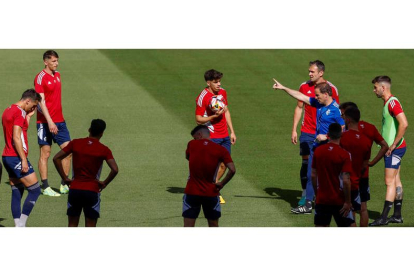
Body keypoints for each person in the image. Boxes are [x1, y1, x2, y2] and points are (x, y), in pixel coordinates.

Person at [272, 79, 344, 214]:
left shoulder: (335, 110)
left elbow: (343, 128)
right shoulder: (319, 103)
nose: (315, 98)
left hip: (329, 148)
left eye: (317, 95)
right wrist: (283, 88)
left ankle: (338, 202)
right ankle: (308, 204)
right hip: (317, 146)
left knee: (332, 176)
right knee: (312, 174)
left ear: (326, 94)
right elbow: (301, 96)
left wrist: (327, 137)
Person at [53, 119, 118, 227]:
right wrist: (104, 183)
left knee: (72, 225)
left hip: (75, 190)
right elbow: (115, 169)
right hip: (92, 191)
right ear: (102, 133)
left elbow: (56, 158)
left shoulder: (75, 143)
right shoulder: (104, 150)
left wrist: (65, 178)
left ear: (89, 130)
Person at [291, 60, 339, 206]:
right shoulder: (304, 86)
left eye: (312, 71)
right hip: (307, 131)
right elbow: (299, 107)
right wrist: (294, 128)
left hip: (323, 133)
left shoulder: (331, 89)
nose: (309, 74)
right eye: (309, 71)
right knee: (306, 163)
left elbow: (335, 111)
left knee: (323, 165)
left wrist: (331, 135)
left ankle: (323, 194)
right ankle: (306, 194)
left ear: (321, 73)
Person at [339, 102, 389, 227]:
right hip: (364, 174)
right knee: (363, 208)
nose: (342, 117)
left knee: (350, 208)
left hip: (349, 176)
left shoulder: (345, 133)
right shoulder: (370, 127)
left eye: (343, 115)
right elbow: (384, 146)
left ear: (348, 116)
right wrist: (372, 162)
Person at [369, 76, 408, 226]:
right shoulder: (388, 103)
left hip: (394, 150)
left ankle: (383, 218)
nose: (374, 91)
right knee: (396, 180)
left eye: (375, 87)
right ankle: (397, 215)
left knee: (389, 181)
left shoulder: (392, 103)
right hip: (396, 148)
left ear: (383, 88)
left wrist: (392, 146)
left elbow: (404, 124)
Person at [195, 69, 236, 204]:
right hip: (211, 135)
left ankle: (212, 187)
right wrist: (213, 116)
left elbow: (227, 111)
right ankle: (213, 191)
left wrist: (232, 131)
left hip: (224, 135)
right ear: (208, 83)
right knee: (212, 165)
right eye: (215, 82)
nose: (219, 84)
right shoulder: (203, 97)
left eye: (219, 81)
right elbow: (198, 119)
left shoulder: (223, 92)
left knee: (224, 165)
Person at [2, 89, 42, 227]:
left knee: (17, 190)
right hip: (16, 158)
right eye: (33, 106)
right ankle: (21, 226)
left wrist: (28, 116)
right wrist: (23, 159)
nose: (33, 109)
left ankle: (17, 224)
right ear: (27, 101)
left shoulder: (8, 110)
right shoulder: (19, 112)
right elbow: (16, 136)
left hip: (7, 157)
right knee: (35, 190)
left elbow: (20, 130)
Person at [34, 50, 71, 197]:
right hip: (44, 123)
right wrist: (49, 122)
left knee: (68, 152)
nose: (56, 63)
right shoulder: (40, 78)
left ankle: (64, 184)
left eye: (57, 61)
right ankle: (45, 186)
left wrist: (56, 121)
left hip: (60, 121)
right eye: (54, 61)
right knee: (45, 153)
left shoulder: (58, 75)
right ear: (45, 62)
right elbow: (41, 102)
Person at [183, 125, 236, 227]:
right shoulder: (221, 150)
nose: (194, 139)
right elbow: (232, 170)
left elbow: (188, 157)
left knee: (188, 226)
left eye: (195, 137)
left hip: (192, 191)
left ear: (200, 134)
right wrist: (221, 183)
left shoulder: (191, 144)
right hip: (211, 192)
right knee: (213, 225)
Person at [311, 123, 354, 227]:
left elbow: (313, 175)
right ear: (341, 135)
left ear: (328, 135)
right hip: (339, 200)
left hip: (322, 199)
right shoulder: (345, 154)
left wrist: (317, 195)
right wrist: (348, 202)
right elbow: (346, 180)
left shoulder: (318, 151)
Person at [339, 107, 373, 227]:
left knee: (348, 212)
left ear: (348, 120)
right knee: (362, 208)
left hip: (345, 182)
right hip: (360, 179)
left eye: (343, 116)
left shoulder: (342, 138)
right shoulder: (366, 140)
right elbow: (365, 163)